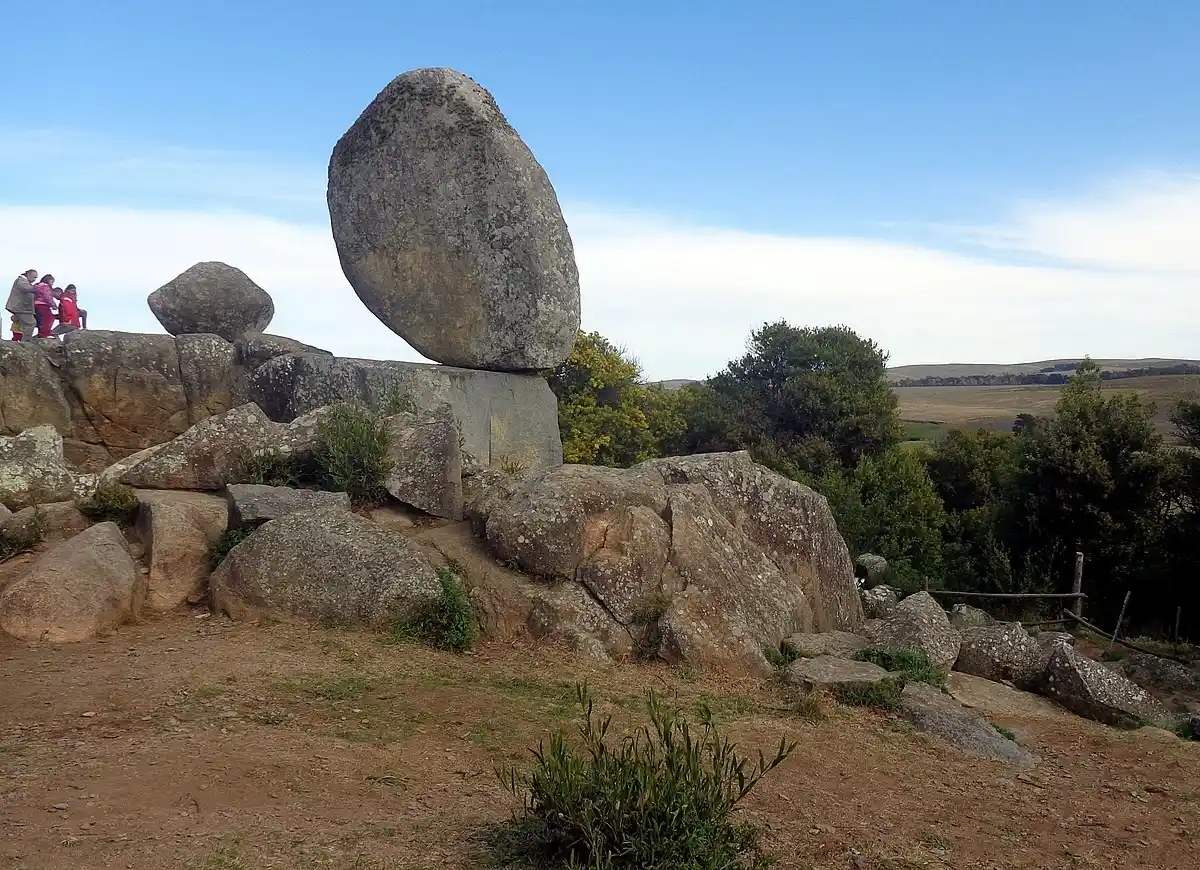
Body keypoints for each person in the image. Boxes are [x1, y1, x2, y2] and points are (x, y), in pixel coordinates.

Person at [5, 270, 37, 342]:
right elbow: (25, 288)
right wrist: (38, 289)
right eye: (34, 277)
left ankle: (24, 340)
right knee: (31, 323)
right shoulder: (22, 280)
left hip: (22, 307)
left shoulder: (25, 282)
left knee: (24, 324)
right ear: (28, 275)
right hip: (20, 307)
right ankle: (26, 341)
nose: (35, 279)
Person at [32, 273, 56, 338]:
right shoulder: (45, 286)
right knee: (48, 319)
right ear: (48, 280)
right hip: (43, 305)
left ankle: (41, 333)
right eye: (52, 281)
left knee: (41, 320)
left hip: (36, 304)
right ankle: (46, 334)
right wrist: (53, 305)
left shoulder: (37, 286)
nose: (52, 283)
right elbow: (47, 296)